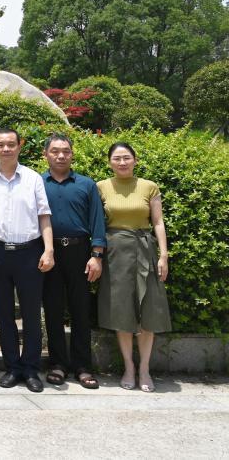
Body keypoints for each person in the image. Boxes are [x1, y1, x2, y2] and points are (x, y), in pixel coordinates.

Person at [0, 128, 54, 393]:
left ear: (20, 145)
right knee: (3, 312)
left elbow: (44, 216)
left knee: (31, 312)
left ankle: (30, 369)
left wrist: (49, 250)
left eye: (11, 144)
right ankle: (12, 367)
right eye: (1, 145)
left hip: (29, 252)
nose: (6, 149)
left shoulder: (33, 178)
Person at [97, 142, 171, 393]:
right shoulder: (101, 187)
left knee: (148, 309)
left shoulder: (149, 186)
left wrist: (163, 255)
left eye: (126, 157)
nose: (122, 162)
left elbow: (158, 222)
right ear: (110, 162)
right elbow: (97, 223)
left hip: (144, 249)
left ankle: (145, 369)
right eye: (116, 158)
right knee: (122, 311)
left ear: (135, 160)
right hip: (115, 253)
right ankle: (129, 367)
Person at [40, 133, 106, 390]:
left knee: (81, 310)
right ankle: (57, 364)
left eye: (66, 151)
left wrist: (96, 256)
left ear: (72, 154)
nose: (61, 156)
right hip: (49, 252)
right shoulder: (37, 183)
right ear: (46, 154)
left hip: (80, 253)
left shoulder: (86, 184)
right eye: (55, 151)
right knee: (53, 309)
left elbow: (97, 221)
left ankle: (82, 366)